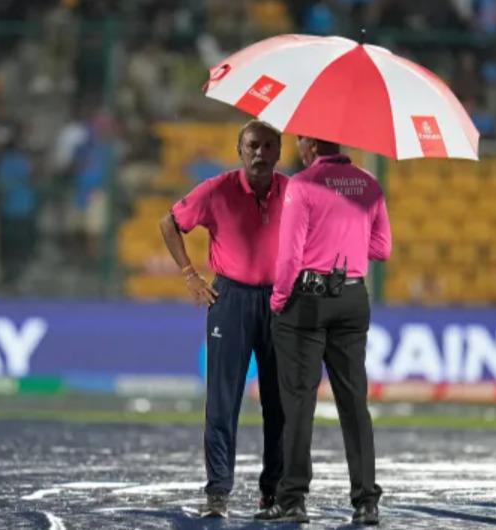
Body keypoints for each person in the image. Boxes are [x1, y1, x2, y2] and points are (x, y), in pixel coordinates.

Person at [255, 136, 391, 525]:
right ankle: (366, 501)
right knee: (354, 405)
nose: (298, 147)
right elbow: (382, 248)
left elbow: (290, 256)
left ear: (312, 145)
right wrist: (345, 240)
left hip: (307, 302)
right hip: (352, 297)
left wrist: (279, 301)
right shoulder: (369, 184)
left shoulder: (302, 185)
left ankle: (293, 498)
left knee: (298, 402)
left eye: (300, 140)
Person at [158, 119, 287, 518]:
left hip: (279, 301)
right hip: (230, 298)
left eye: (268, 146)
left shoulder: (294, 192)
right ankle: (218, 492)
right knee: (222, 402)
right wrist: (189, 275)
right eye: (252, 145)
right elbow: (169, 223)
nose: (260, 154)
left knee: (279, 404)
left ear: (279, 152)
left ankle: (275, 491)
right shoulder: (217, 189)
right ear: (239, 149)